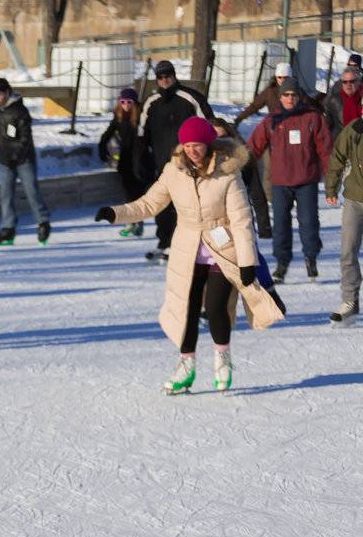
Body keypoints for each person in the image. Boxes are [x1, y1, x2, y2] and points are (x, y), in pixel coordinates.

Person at [96, 116, 283, 394]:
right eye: (188, 145)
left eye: (198, 144)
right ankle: (186, 365)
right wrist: (116, 213)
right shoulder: (174, 171)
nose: (193, 150)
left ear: (208, 144)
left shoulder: (227, 173)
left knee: (217, 307)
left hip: (222, 249)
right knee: (186, 309)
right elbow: (150, 203)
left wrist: (246, 262)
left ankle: (222, 358)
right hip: (187, 249)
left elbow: (242, 219)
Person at [249, 79, 331, 282]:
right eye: (286, 95)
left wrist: (331, 178)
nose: (289, 98)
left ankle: (310, 259)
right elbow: (253, 147)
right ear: (280, 97)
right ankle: (281, 263)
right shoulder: (272, 120)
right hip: (281, 181)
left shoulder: (312, 118)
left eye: (293, 94)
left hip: (307, 180)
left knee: (309, 223)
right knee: (281, 225)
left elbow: (326, 149)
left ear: (299, 96)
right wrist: (238, 164)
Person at [135, 60, 211, 262]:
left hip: (189, 164)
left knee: (186, 205)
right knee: (162, 204)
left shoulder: (190, 98)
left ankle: (184, 243)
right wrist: (141, 160)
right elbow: (142, 134)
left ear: (174, 76)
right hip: (162, 164)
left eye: (168, 75)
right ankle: (164, 241)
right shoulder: (151, 102)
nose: (164, 80)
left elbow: (209, 128)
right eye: (160, 77)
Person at [0, 77, 50, 246]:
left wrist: (16, 155)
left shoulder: (20, 111)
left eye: (0, 94)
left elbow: (25, 138)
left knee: (31, 191)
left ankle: (43, 222)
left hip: (24, 159)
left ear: (8, 93)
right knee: (5, 195)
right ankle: (7, 229)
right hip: (5, 160)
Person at [325, 108, 363, 324]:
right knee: (348, 252)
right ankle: (349, 301)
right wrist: (331, 188)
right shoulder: (353, 130)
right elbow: (337, 157)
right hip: (355, 200)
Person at [210, 116, 274, 239]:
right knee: (219, 253)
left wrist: (264, 227)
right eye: (214, 138)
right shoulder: (200, 163)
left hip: (241, 218)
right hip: (212, 221)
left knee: (245, 253)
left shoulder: (243, 159)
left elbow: (257, 194)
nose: (219, 142)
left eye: (223, 138)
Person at [99, 88, 147, 237]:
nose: (126, 105)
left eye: (129, 102)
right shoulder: (118, 116)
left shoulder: (141, 118)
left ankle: (138, 222)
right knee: (127, 193)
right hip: (125, 160)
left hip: (139, 160)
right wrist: (101, 147)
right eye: (123, 102)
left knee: (138, 193)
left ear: (134, 103)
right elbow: (108, 133)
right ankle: (131, 221)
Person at [324, 65, 363, 137]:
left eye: (352, 81)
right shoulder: (334, 100)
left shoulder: (361, 98)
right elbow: (327, 125)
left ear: (358, 82)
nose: (348, 84)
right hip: (341, 143)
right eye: (345, 82)